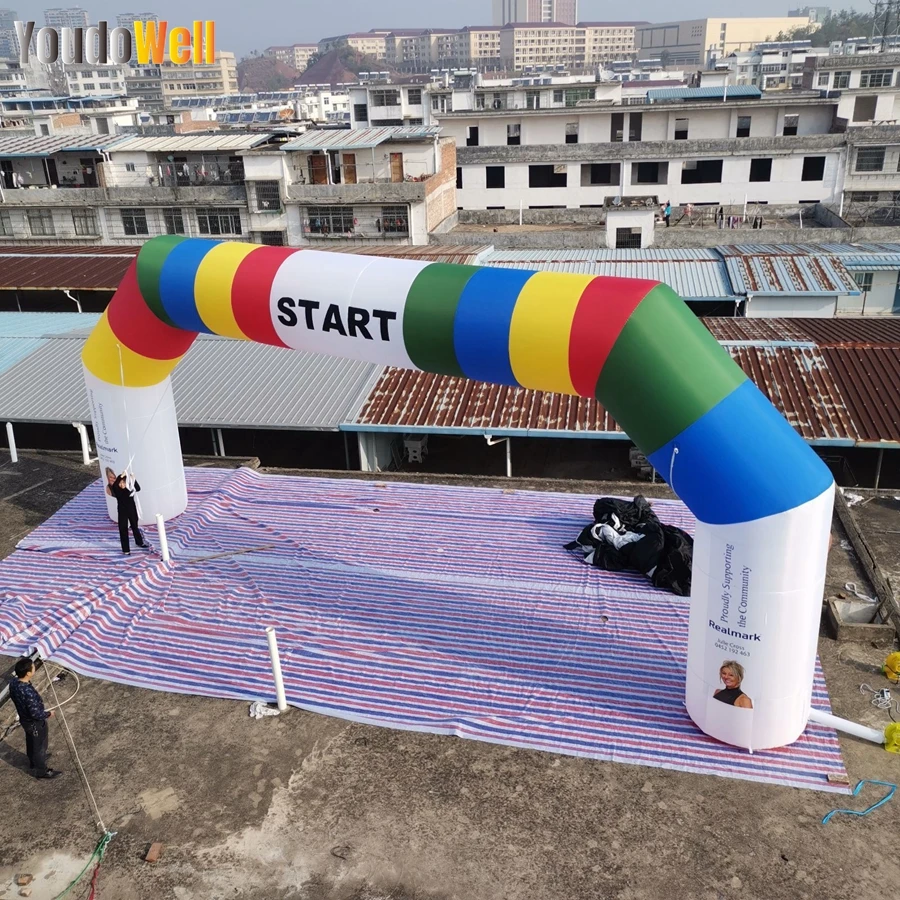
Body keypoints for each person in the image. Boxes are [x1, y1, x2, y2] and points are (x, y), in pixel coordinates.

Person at [8, 658, 62, 779]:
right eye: (33, 667)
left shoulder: (13, 683)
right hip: (35, 724)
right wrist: (48, 714)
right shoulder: (28, 692)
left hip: (25, 720)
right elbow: (36, 713)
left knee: (31, 742)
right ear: (28, 673)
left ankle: (34, 761)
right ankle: (42, 770)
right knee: (40, 745)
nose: (34, 668)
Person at [110, 471, 148, 555]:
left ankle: (139, 542)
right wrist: (120, 477)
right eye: (120, 483)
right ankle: (126, 549)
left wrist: (133, 478)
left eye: (124, 483)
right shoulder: (117, 490)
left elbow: (138, 488)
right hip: (122, 512)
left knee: (135, 526)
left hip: (132, 510)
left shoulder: (130, 489)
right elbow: (114, 486)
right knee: (123, 529)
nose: (122, 485)